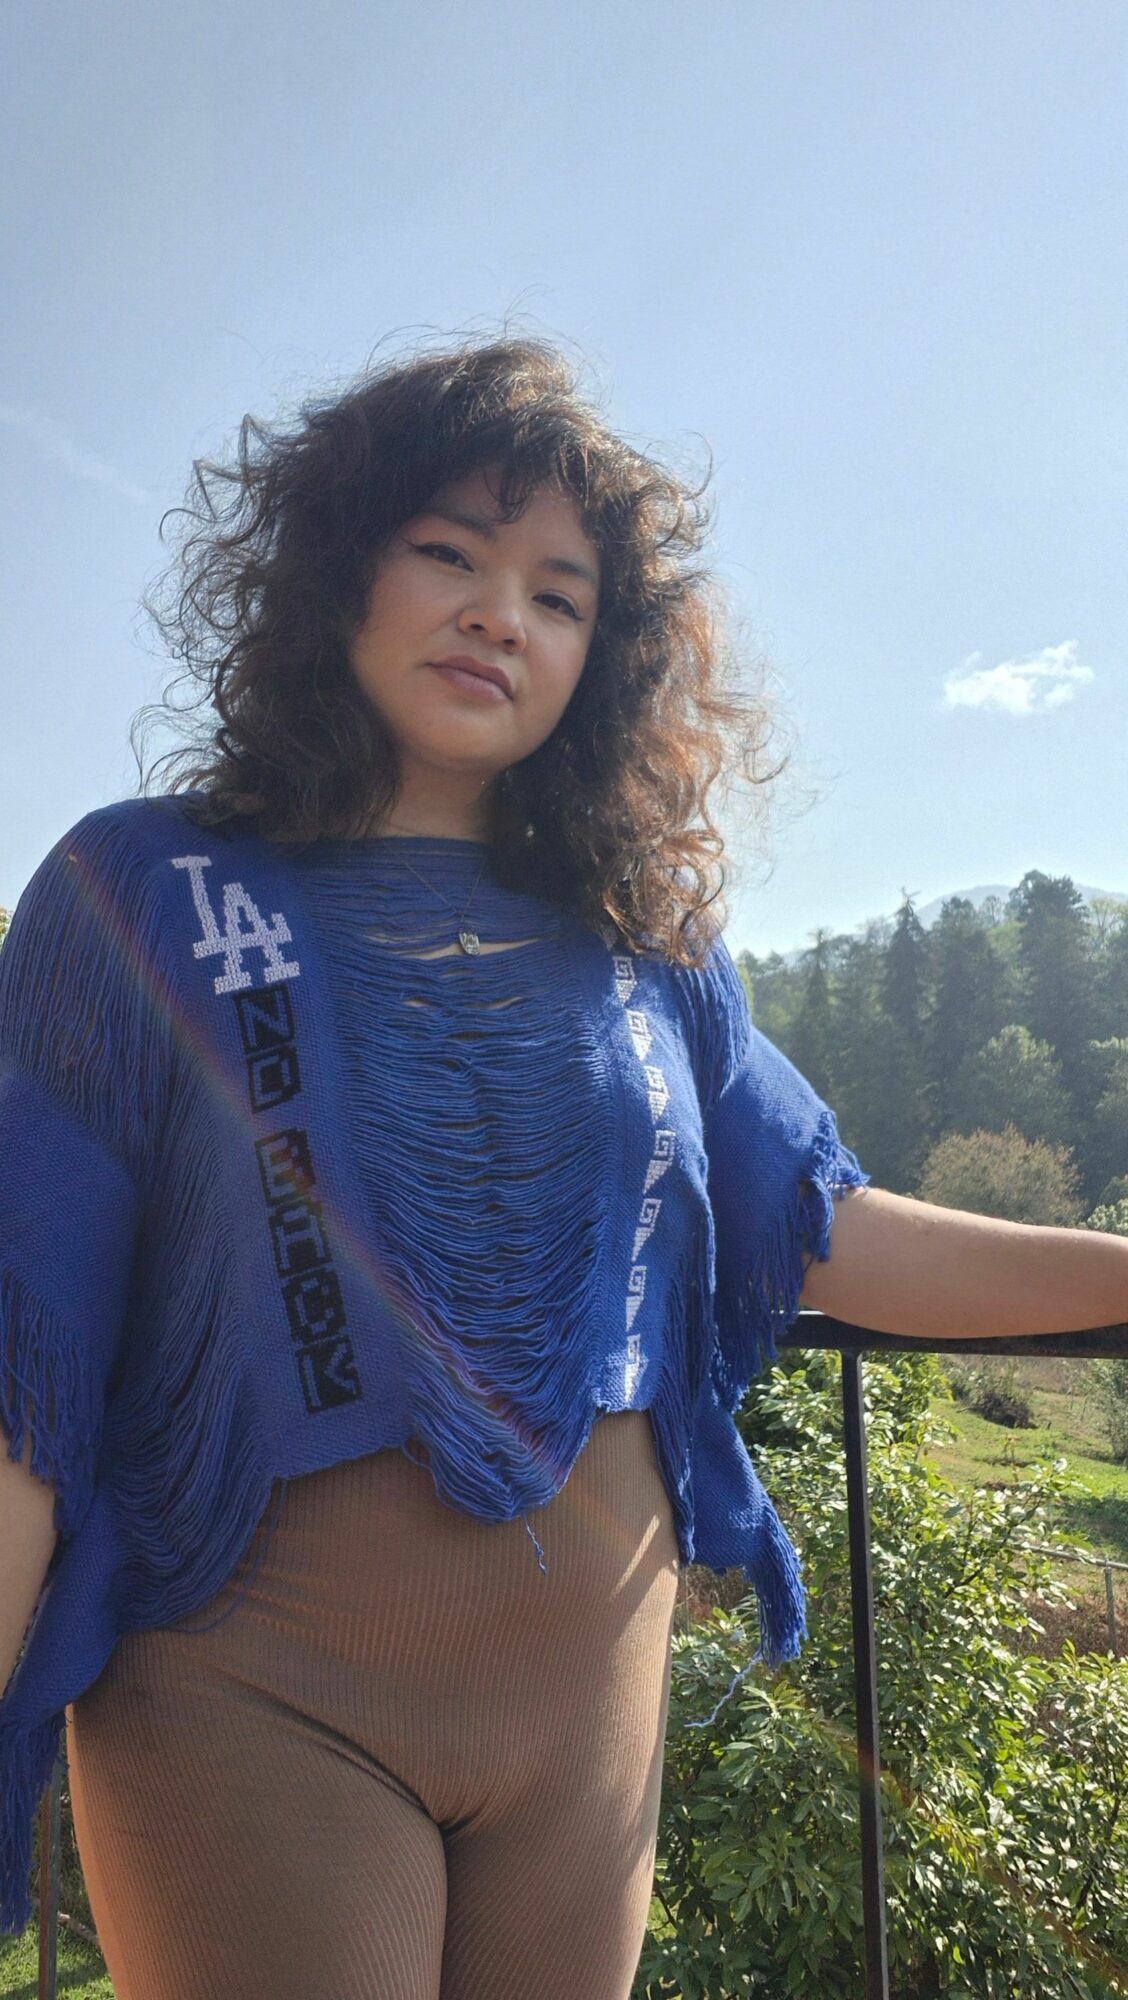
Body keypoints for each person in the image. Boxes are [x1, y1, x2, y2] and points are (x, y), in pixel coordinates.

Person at [0, 334, 1125, 2000]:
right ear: (336, 575)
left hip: (592, 1702)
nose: (497, 615)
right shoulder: (137, 891)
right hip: (253, 1693)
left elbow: (827, 1231)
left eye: (558, 593)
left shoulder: (647, 938)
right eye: (447, 553)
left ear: (599, 653)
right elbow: (30, 1351)